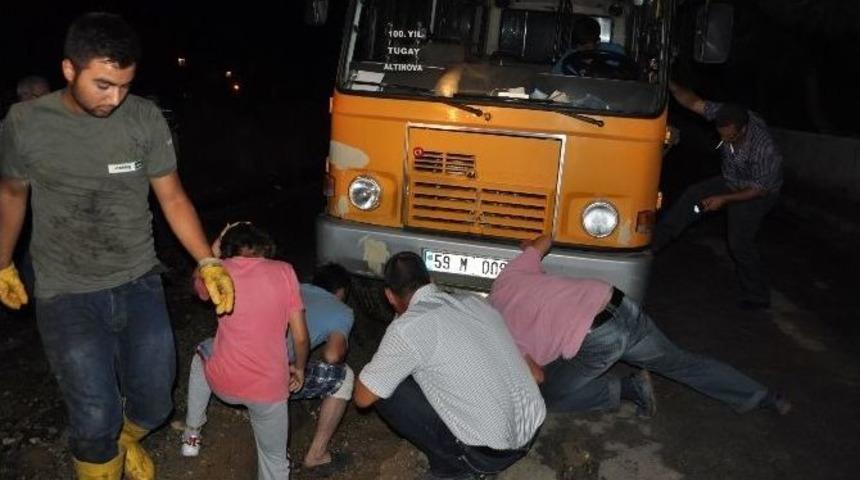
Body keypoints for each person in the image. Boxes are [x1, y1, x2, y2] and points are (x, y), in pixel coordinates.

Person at [0, 12, 234, 480]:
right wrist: (3, 262)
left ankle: (126, 441)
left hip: (137, 280)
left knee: (154, 400)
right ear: (70, 70)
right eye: (103, 85)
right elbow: (11, 193)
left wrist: (208, 258)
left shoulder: (144, 118)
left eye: (125, 85)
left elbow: (172, 196)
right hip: (65, 290)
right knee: (93, 414)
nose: (115, 98)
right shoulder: (25, 122)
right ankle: (103, 458)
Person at [489, 234, 791, 418]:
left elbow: (538, 376)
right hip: (618, 303)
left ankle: (628, 389)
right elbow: (546, 240)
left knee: (542, 397)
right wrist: (528, 246)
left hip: (597, 338)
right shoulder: (508, 277)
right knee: (682, 363)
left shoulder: (500, 336)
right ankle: (762, 396)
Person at [355, 252, 546, 480]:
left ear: (389, 296)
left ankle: (454, 468)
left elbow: (362, 397)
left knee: (386, 391)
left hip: (490, 455)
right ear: (432, 280)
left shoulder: (407, 330)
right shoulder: (474, 301)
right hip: (533, 428)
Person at [182, 257, 355, 473]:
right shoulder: (341, 310)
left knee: (203, 351)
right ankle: (316, 454)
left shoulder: (287, 284)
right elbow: (332, 355)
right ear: (341, 291)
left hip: (230, 369)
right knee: (345, 377)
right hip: (269, 380)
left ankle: (191, 435)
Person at [181, 222, 308, 480]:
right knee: (274, 459)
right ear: (264, 246)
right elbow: (301, 337)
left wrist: (211, 252)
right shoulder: (284, 271)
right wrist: (300, 368)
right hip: (268, 389)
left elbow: (196, 283)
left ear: (228, 248)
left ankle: (191, 436)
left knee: (201, 354)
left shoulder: (220, 270)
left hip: (224, 382)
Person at [653, 82, 783, 310]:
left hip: (757, 192)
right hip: (731, 180)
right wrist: (669, 82)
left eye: (730, 137)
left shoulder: (764, 148)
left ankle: (757, 295)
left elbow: (760, 188)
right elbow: (692, 101)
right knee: (693, 195)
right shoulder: (724, 114)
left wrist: (723, 200)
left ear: (742, 130)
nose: (725, 139)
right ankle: (652, 245)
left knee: (739, 241)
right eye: (721, 134)